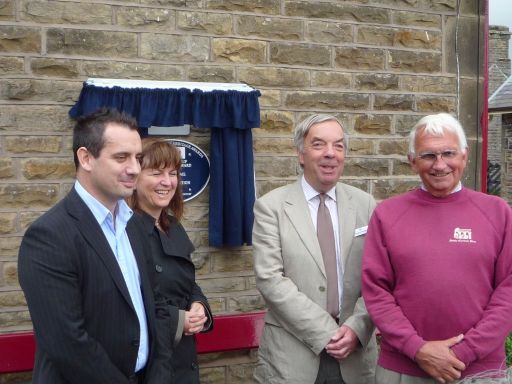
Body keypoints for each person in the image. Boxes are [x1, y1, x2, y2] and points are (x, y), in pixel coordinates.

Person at [18, 108, 173, 384]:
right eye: (121, 157)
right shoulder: (49, 236)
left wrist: (159, 376)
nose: (134, 169)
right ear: (86, 158)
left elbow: (156, 306)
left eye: (137, 158)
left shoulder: (135, 226)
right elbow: (67, 343)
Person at [362, 113, 512, 383]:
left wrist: (463, 352)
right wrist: (417, 349)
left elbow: (508, 291)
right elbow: (376, 291)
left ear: (464, 156)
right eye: (428, 155)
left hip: (481, 371)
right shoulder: (388, 214)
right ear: (412, 162)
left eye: (448, 153)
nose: (440, 165)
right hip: (403, 368)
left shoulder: (497, 212)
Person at [252, 114, 378, 384]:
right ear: (301, 154)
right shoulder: (271, 207)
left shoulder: (366, 205)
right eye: (319, 144)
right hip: (292, 357)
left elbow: (379, 279)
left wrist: (357, 328)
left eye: (339, 146)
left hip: (355, 358)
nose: (330, 154)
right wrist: (326, 333)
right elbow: (270, 279)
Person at [128, 138, 213, 383]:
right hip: (149, 366)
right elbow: (126, 304)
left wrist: (199, 306)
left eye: (172, 173)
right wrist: (178, 321)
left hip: (184, 361)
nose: (167, 182)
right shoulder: (125, 232)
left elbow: (187, 281)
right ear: (135, 178)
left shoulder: (173, 227)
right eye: (156, 173)